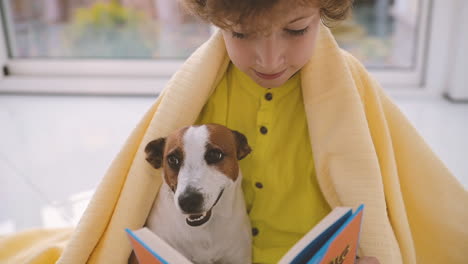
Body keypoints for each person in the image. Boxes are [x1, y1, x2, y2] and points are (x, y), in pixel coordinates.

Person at [177, 0, 466, 264]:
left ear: (322, 14)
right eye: (241, 34)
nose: (269, 60)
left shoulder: (351, 87)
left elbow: (404, 191)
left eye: (296, 30)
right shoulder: (198, 92)